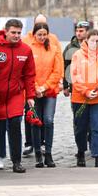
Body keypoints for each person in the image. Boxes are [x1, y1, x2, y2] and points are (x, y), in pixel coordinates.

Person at [0, 19, 36, 173]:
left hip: (15, 94)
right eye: (13, 32)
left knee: (15, 124)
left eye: (19, 33)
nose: (16, 35)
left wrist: (30, 96)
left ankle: (16, 162)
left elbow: (29, 75)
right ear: (5, 31)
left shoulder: (26, 50)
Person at [22, 14, 64, 156]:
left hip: (49, 89)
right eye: (39, 34)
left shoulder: (53, 43)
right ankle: (33, 145)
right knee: (32, 118)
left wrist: (45, 86)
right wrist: (34, 87)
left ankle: (46, 146)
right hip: (32, 90)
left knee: (48, 119)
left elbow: (58, 68)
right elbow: (25, 69)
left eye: (44, 34)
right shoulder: (27, 43)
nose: (42, 37)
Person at [71, 29, 98, 167]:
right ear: (86, 40)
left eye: (97, 41)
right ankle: (81, 152)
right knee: (81, 127)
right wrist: (86, 91)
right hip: (80, 97)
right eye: (92, 40)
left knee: (97, 127)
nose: (95, 43)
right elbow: (75, 76)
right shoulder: (77, 55)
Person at [63, 21, 89, 98]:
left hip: (91, 85)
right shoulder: (70, 47)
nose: (78, 33)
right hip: (74, 86)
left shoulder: (93, 44)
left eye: (81, 31)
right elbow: (65, 66)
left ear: (87, 32)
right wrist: (65, 86)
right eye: (77, 31)